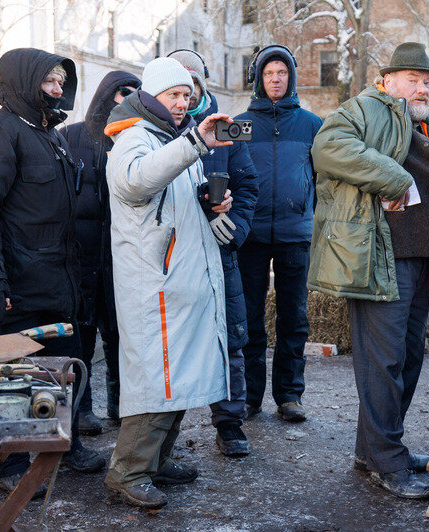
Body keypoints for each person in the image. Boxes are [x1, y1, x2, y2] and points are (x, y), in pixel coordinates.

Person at [309, 42, 429, 499]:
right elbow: (328, 147)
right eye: (413, 80)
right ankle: (388, 461)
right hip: (379, 257)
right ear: (388, 80)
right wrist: (395, 176)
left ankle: (375, 449)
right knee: (382, 362)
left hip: (424, 256)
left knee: (409, 357)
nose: (422, 88)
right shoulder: (362, 109)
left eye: (426, 82)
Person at [0, 48, 105, 496]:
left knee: (66, 370)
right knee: (17, 377)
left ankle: (65, 445)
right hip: (19, 282)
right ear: (25, 80)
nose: (58, 87)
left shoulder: (52, 135)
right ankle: (10, 463)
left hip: (61, 280)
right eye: (49, 79)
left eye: (62, 80)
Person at [102, 57, 234, 510]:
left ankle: (155, 462)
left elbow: (171, 198)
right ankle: (127, 473)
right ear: (152, 95)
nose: (182, 104)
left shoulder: (173, 138)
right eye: (174, 95)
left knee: (179, 376)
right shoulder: (133, 140)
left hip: (182, 281)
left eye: (187, 97)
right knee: (155, 381)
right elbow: (137, 183)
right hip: (154, 285)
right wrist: (195, 142)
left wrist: (209, 205)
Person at [168, 49, 259, 457]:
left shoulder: (228, 130)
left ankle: (229, 424)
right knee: (174, 344)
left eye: (193, 84)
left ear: (203, 86)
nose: (185, 97)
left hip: (222, 253)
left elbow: (249, 185)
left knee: (230, 338)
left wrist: (234, 227)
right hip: (174, 253)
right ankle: (163, 437)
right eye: (178, 87)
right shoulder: (159, 129)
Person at [235, 45, 322, 422]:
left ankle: (289, 395)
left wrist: (312, 215)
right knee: (250, 317)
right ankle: (250, 396)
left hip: (294, 233)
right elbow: (227, 172)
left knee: (294, 317)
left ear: (291, 78)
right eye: (269, 73)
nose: (275, 79)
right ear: (259, 79)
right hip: (249, 236)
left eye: (282, 73)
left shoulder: (311, 124)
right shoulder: (237, 123)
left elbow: (323, 178)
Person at [61, 70, 142, 434]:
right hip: (82, 255)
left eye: (133, 93)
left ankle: (121, 403)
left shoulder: (136, 138)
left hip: (123, 254)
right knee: (83, 334)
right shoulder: (70, 137)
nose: (125, 98)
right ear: (106, 94)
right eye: (120, 91)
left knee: (121, 334)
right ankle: (82, 410)